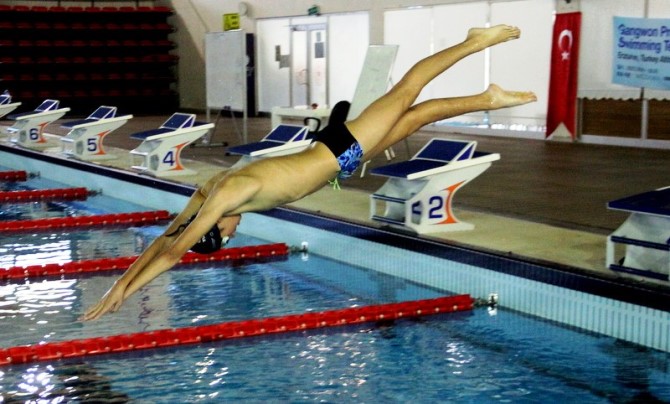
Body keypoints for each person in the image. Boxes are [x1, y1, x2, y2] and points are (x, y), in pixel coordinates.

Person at [82, 24, 537, 321]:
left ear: (215, 228)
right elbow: (168, 237)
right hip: (340, 156)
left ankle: (474, 42)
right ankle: (486, 98)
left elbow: (173, 250)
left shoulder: (224, 198)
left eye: (226, 236)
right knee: (417, 115)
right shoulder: (208, 194)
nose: (234, 234)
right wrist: (123, 280)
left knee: (407, 93)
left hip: (340, 148)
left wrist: (125, 288)